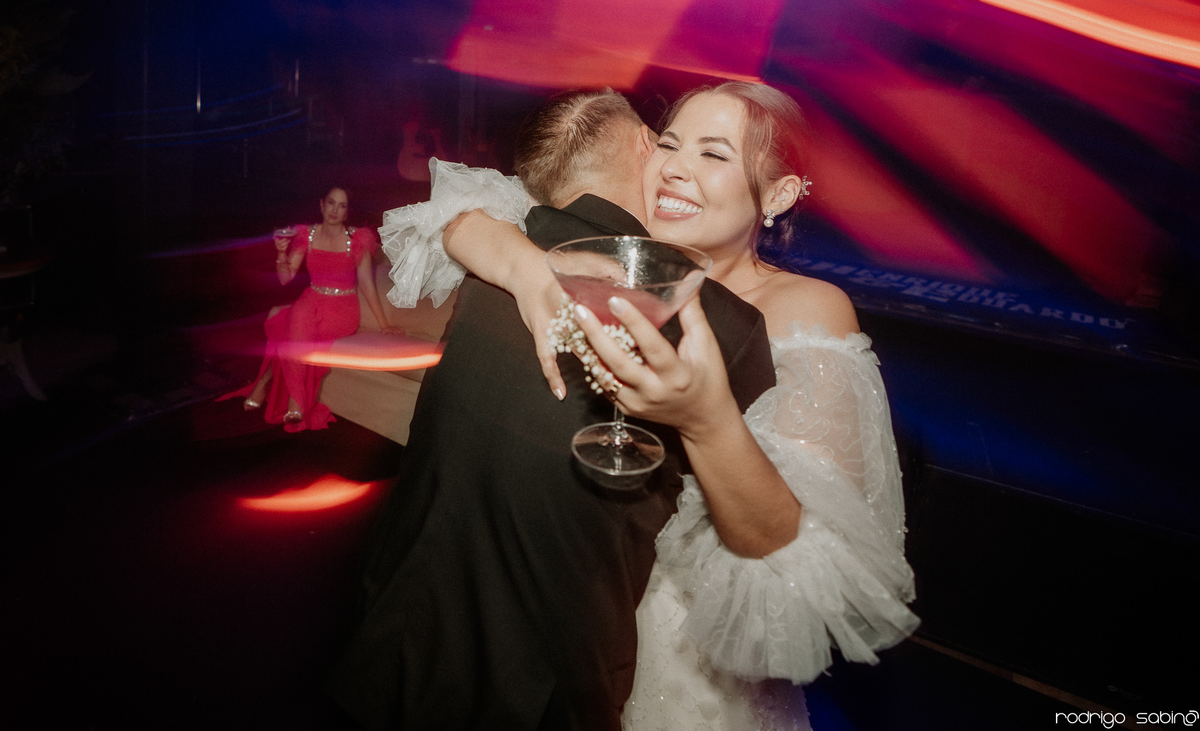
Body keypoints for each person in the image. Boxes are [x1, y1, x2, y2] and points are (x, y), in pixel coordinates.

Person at [368, 82, 920, 730]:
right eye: (669, 144)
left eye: (713, 153)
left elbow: (791, 555)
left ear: (778, 195)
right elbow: (456, 212)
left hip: (690, 671)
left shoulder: (806, 308)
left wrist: (706, 420)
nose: (676, 168)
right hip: (576, 650)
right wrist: (524, 267)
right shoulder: (618, 259)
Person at [325, 89, 777, 730]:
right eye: (669, 144)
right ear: (644, 146)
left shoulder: (499, 245)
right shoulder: (725, 325)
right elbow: (763, 549)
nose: (677, 167)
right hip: (543, 691)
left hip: (393, 639)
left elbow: (453, 213)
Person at [220, 187, 398, 432]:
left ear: (347, 212)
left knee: (293, 329)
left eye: (342, 206)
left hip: (341, 310)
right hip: (310, 301)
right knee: (298, 317)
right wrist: (281, 253)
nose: (335, 210)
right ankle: (293, 400)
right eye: (331, 203)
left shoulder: (357, 239)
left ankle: (265, 385)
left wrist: (384, 324)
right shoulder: (308, 235)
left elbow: (367, 285)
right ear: (321, 204)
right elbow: (285, 278)